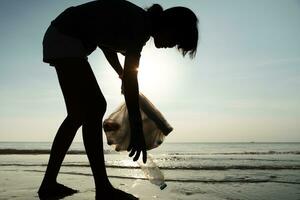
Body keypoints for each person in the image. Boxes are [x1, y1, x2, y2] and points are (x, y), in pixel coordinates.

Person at [38, 0, 198, 199]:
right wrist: (137, 130)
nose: (172, 46)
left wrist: (120, 73)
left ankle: (49, 184)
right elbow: (132, 80)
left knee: (78, 114)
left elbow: (105, 43)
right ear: (171, 26)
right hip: (66, 36)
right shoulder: (140, 27)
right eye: (176, 39)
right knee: (95, 106)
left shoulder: (140, 23)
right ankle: (102, 189)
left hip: (62, 36)